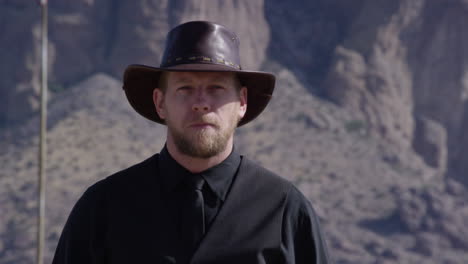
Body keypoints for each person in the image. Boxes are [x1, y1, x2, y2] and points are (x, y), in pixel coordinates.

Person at [52, 21, 330, 264]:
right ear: (160, 103)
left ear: (242, 102)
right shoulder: (104, 207)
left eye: (216, 88)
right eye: (185, 88)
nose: (200, 103)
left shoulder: (284, 209)